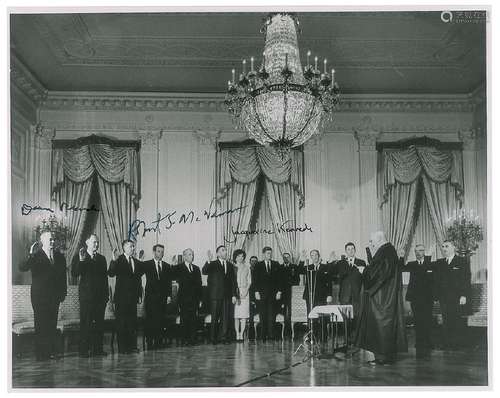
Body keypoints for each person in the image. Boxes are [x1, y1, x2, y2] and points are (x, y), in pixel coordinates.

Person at [355, 231, 407, 365]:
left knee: (382, 326)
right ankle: (382, 357)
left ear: (379, 239)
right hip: (384, 295)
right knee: (382, 327)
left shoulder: (386, 251)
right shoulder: (388, 251)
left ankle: (384, 358)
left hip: (382, 297)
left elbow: (379, 273)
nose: (371, 244)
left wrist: (364, 271)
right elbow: (379, 270)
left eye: (372, 241)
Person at [19, 231, 67, 361]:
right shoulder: (36, 255)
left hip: (55, 296)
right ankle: (41, 354)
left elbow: (63, 277)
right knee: (41, 325)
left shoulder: (60, 257)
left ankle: (51, 352)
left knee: (52, 324)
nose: (52, 242)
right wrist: (30, 254)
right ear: (42, 241)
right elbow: (22, 267)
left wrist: (63, 293)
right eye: (50, 240)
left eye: (53, 240)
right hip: (39, 297)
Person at [71, 234, 109, 357]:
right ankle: (83, 350)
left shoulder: (102, 258)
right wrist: (82, 261)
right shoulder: (79, 256)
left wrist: (106, 296)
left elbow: (105, 279)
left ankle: (97, 349)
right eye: (94, 242)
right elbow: (75, 273)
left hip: (100, 298)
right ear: (87, 242)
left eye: (97, 242)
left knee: (99, 324)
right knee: (86, 324)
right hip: (87, 297)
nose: (96, 244)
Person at [433, 240, 471, 350]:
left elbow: (465, 279)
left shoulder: (462, 261)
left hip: (457, 297)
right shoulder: (440, 263)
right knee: (446, 320)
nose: (444, 249)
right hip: (444, 297)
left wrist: (464, 295)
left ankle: (456, 344)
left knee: (456, 320)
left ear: (453, 247)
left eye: (447, 246)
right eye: (443, 246)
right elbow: (436, 280)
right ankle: (447, 343)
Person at [107, 240, 144, 354]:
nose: (133, 248)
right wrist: (113, 259)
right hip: (121, 298)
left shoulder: (136, 261)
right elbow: (111, 273)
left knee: (132, 323)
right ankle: (123, 348)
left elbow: (138, 279)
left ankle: (132, 346)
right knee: (122, 323)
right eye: (130, 246)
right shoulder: (119, 260)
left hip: (133, 298)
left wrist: (139, 295)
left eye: (133, 246)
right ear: (124, 248)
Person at [401, 244, 435, 359]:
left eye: (420, 250)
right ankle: (419, 342)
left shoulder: (430, 263)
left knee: (427, 320)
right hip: (415, 298)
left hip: (427, 298)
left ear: (424, 252)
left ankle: (428, 342)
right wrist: (401, 256)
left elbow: (426, 270)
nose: (418, 253)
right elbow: (401, 268)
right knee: (418, 320)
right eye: (416, 251)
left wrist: (429, 257)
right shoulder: (412, 264)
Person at [203, 246, 237, 344]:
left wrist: (234, 295)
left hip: (227, 296)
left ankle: (223, 337)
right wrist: (208, 260)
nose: (225, 252)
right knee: (215, 318)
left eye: (226, 250)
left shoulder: (230, 265)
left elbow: (233, 282)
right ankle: (213, 339)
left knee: (225, 318)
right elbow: (204, 271)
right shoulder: (212, 264)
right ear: (217, 254)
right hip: (215, 295)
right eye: (223, 250)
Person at [142, 244, 173, 350]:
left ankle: (159, 341)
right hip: (151, 297)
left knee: (160, 320)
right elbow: (136, 273)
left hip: (162, 298)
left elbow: (169, 282)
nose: (161, 253)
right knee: (150, 320)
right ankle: (150, 342)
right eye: (159, 251)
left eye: (162, 251)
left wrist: (169, 296)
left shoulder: (167, 266)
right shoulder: (147, 264)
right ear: (154, 252)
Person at [252, 247, 283, 341]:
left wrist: (279, 292)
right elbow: (255, 280)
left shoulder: (276, 264)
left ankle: (271, 335)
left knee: (272, 315)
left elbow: (280, 280)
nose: (269, 255)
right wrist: (256, 292)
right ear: (263, 254)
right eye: (267, 253)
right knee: (263, 314)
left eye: (270, 253)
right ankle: (262, 336)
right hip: (261, 294)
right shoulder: (258, 265)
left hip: (273, 295)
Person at [174, 248, 202, 346]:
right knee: (184, 319)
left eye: (192, 254)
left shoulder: (197, 268)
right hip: (183, 298)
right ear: (184, 256)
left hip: (194, 299)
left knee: (193, 319)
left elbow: (199, 285)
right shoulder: (179, 267)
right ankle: (184, 339)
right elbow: (172, 276)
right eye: (189, 254)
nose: (192, 256)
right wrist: (173, 265)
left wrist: (200, 299)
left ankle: (192, 339)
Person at [330, 243, 365, 319]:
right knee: (345, 318)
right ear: (346, 251)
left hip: (357, 295)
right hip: (344, 295)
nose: (351, 251)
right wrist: (332, 262)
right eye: (348, 249)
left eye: (352, 249)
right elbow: (331, 273)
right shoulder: (340, 263)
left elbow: (364, 278)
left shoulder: (361, 262)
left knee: (357, 317)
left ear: (355, 250)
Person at [233, 249, 252, 342]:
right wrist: (235, 292)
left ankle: (242, 334)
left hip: (245, 292)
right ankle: (237, 333)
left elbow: (249, 281)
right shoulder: (232, 267)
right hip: (235, 292)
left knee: (244, 315)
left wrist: (246, 291)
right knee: (236, 315)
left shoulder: (247, 267)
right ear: (235, 257)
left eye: (242, 256)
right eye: (239, 256)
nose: (241, 258)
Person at [280, 252, 300, 337]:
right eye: (284, 257)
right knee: (283, 310)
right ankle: (285, 330)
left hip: (292, 291)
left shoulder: (294, 267)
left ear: (290, 258)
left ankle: (291, 331)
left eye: (288, 257)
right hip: (283, 292)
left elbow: (297, 279)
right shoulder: (279, 267)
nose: (286, 258)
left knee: (292, 310)